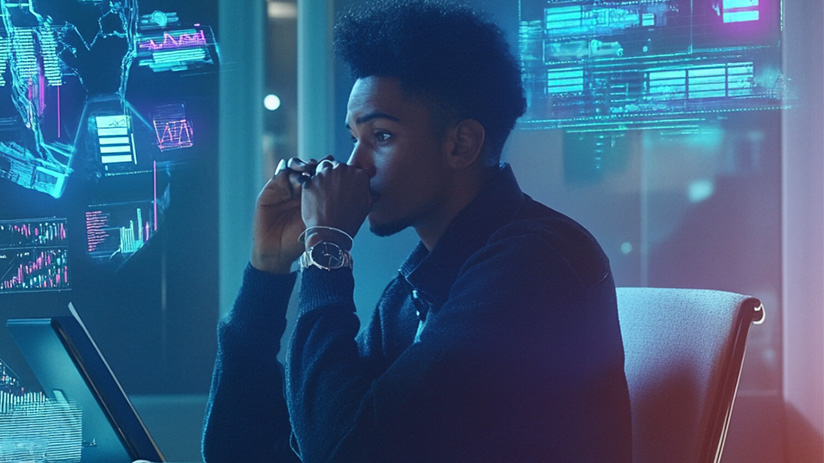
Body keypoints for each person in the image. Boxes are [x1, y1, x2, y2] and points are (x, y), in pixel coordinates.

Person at [201, 0, 632, 461]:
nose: (354, 167)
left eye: (381, 137)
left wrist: (327, 246)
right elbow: (241, 450)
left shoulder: (534, 266)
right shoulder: (412, 292)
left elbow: (345, 452)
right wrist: (267, 272)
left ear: (460, 144)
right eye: (354, 139)